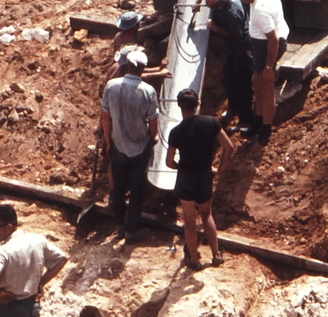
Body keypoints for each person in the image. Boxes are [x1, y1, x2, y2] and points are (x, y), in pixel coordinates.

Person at [166, 87, 233, 271]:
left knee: (189, 220)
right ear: (197, 105)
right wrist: (220, 170)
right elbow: (229, 146)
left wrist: (180, 167)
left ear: (180, 107)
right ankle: (216, 254)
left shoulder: (176, 132)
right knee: (206, 214)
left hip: (186, 178)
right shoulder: (211, 123)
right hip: (205, 175)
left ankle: (194, 259)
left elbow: (169, 162)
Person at [100, 47, 159, 243]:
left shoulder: (111, 86)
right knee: (136, 189)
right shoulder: (148, 91)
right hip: (139, 147)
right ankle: (131, 230)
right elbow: (152, 121)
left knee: (117, 188)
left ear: (127, 66)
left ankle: (119, 226)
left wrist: (108, 140)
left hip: (117, 144)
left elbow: (105, 117)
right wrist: (154, 137)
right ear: (142, 69)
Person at [229, 0, 289, 147]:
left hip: (266, 45)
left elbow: (274, 40)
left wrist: (269, 67)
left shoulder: (260, 11)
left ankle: (265, 130)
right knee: (257, 82)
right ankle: (258, 121)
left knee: (266, 86)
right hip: (260, 43)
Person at [193, 0, 255, 131]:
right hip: (231, 50)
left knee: (241, 85)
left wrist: (215, 28)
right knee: (228, 76)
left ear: (220, 6)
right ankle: (233, 108)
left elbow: (237, 36)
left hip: (242, 49)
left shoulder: (233, 13)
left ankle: (246, 119)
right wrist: (198, 1)